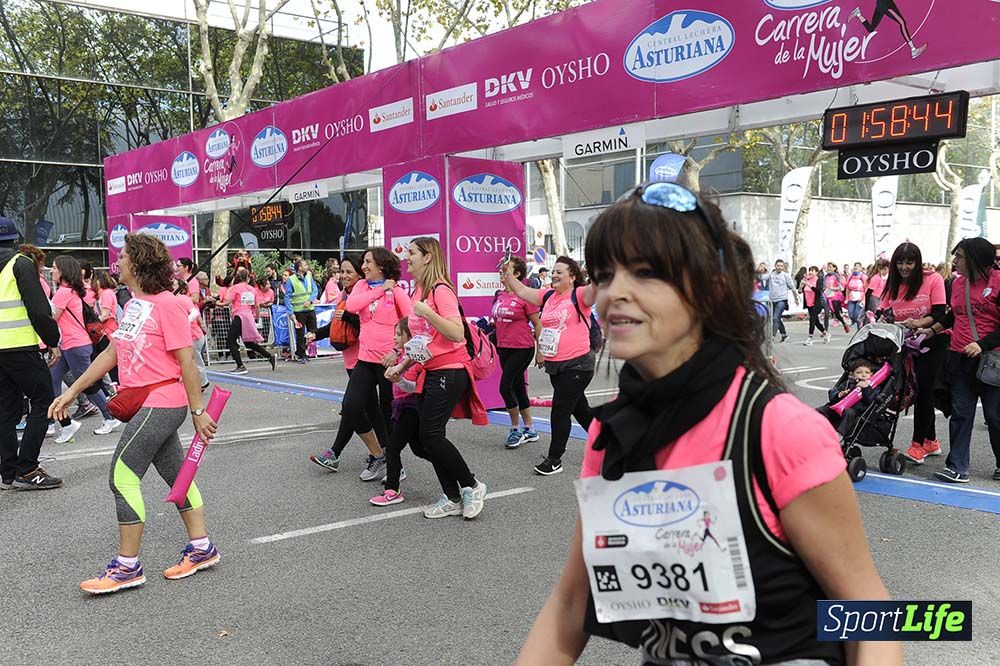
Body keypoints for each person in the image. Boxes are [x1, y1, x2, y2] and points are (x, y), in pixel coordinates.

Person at [516, 181, 900, 666]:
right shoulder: (611, 434)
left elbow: (867, 606)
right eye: (605, 273)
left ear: (709, 289)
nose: (615, 292)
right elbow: (570, 606)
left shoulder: (780, 429)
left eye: (646, 272)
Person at [50, 232, 220, 594]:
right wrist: (73, 390)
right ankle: (202, 547)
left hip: (163, 401)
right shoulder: (135, 306)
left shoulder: (168, 305)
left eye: (124, 255)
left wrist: (198, 411)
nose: (118, 261)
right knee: (178, 476)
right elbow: (111, 354)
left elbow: (187, 361)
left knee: (122, 476)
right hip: (148, 402)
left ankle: (127, 567)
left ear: (139, 264)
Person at [388, 236, 487, 519]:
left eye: (412, 253)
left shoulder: (441, 291)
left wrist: (429, 313)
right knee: (427, 437)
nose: (407, 258)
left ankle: (472, 484)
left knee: (430, 435)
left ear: (428, 256)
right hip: (432, 371)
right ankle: (453, 497)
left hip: (450, 370)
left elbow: (456, 333)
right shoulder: (419, 290)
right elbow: (422, 341)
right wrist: (402, 365)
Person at [502, 255, 595, 476]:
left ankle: (555, 459)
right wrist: (507, 273)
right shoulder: (549, 295)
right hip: (557, 366)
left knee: (560, 410)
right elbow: (523, 292)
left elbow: (599, 287)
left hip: (578, 365)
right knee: (581, 410)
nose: (553, 274)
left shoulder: (580, 294)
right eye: (553, 271)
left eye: (559, 272)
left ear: (572, 277)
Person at [328, 248, 411, 480]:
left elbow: (412, 323)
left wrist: (398, 353)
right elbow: (352, 306)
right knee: (351, 406)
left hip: (387, 363)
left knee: (387, 416)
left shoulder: (397, 292)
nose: (363, 266)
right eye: (363, 262)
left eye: (367, 262)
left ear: (381, 266)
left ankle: (396, 465)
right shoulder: (363, 287)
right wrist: (378, 292)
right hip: (363, 360)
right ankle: (378, 455)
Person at [309, 256, 388, 477]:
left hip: (366, 359)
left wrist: (349, 316)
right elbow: (337, 324)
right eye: (341, 272)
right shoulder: (346, 296)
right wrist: (315, 334)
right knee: (370, 410)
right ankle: (383, 454)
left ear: (360, 274)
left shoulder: (365, 297)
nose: (343, 276)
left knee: (355, 409)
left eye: (348, 272)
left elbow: (368, 325)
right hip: (352, 360)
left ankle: (338, 452)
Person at [0, 219, 63, 490]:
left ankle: (7, 473)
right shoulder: (20, 263)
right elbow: (38, 310)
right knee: (44, 401)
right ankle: (27, 468)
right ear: (15, 238)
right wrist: (52, 340)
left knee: (5, 409)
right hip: (20, 347)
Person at [935, 238, 1000, 484]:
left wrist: (982, 344)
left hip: (992, 360)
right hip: (959, 357)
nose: (955, 261)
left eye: (960, 256)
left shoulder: (998, 282)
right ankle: (957, 466)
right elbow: (955, 315)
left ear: (975, 259)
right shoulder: (956, 283)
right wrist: (931, 329)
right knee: (961, 413)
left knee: (995, 415)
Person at [878, 242, 947, 465]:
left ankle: (918, 445)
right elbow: (884, 312)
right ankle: (931, 440)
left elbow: (939, 313)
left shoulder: (933, 279)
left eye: (909, 262)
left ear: (917, 262)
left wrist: (918, 323)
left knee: (925, 389)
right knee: (916, 391)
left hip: (934, 340)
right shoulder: (893, 284)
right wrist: (881, 320)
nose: (904, 267)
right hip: (905, 343)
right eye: (900, 262)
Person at [50, 256, 119, 436]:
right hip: (72, 344)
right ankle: (63, 423)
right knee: (53, 379)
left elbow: (51, 320)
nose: (52, 271)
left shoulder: (64, 293)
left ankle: (110, 416)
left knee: (87, 384)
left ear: (63, 271)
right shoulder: (72, 291)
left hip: (75, 345)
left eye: (55, 268)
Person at [370, 318, 427, 507]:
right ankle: (453, 469)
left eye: (399, 334)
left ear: (411, 337)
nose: (394, 337)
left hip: (411, 407)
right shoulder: (402, 355)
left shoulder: (415, 360)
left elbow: (414, 388)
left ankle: (392, 490)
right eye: (394, 333)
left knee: (393, 447)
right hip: (402, 406)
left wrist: (398, 380)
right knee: (420, 449)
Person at [494, 256, 542, 448]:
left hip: (522, 348)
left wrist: (541, 352)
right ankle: (530, 429)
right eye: (501, 269)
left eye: (506, 270)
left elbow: (538, 324)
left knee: (505, 387)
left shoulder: (525, 295)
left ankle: (515, 429)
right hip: (503, 348)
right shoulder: (499, 295)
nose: (501, 272)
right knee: (519, 387)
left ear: (517, 274)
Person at [224, 268, 275, 375]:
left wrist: (216, 303)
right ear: (248, 278)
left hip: (239, 315)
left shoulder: (235, 288)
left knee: (231, 341)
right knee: (248, 342)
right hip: (248, 315)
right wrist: (256, 316)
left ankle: (240, 365)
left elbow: (227, 301)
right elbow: (256, 305)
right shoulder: (252, 289)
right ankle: (269, 356)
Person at [817, 358, 879, 437]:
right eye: (859, 372)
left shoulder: (873, 386)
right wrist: (839, 395)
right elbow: (833, 392)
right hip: (839, 407)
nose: (863, 375)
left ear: (871, 374)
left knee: (849, 412)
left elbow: (871, 401)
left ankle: (839, 435)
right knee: (821, 410)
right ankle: (815, 429)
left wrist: (866, 389)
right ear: (852, 374)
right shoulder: (847, 383)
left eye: (866, 372)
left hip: (856, 411)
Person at [849, 0, 926, 59]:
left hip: (881, 4)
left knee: (871, 29)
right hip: (885, 3)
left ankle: (858, 14)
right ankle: (913, 50)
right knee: (902, 23)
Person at [175, 280, 208, 390]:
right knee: (191, 360)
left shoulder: (182, 299)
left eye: (174, 284)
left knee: (194, 361)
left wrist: (184, 322)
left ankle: (203, 382)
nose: (171, 285)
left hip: (193, 335)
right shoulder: (176, 299)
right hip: (190, 335)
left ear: (181, 288)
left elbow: (195, 313)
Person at [284, 258, 318, 363]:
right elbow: (287, 296)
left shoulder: (309, 276)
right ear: (299, 267)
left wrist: (311, 300)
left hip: (310, 309)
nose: (307, 266)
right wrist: (290, 312)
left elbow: (315, 290)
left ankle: (304, 351)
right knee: (300, 333)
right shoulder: (291, 280)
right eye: (305, 265)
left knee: (313, 331)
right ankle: (302, 354)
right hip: (298, 311)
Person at [765, 259, 798, 342]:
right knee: (777, 318)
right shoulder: (771, 274)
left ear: (783, 267)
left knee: (775, 318)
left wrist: (796, 298)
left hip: (782, 300)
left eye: (781, 266)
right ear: (775, 266)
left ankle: (772, 336)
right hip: (772, 300)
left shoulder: (786, 276)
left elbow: (793, 288)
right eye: (778, 266)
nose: (779, 267)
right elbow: (761, 277)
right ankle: (784, 335)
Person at [801, 266, 829, 345]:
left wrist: (809, 285)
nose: (810, 272)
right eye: (810, 270)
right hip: (809, 303)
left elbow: (818, 291)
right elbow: (801, 291)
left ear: (816, 272)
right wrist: (801, 285)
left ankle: (810, 338)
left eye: (812, 271)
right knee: (816, 321)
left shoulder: (818, 280)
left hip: (817, 303)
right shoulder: (808, 279)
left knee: (812, 319)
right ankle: (826, 333)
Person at [822, 261, 851, 334]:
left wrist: (833, 288)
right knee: (830, 314)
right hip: (828, 296)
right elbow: (824, 286)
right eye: (828, 267)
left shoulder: (837, 276)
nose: (828, 268)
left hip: (836, 296)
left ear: (834, 268)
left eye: (830, 267)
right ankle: (826, 330)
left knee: (836, 311)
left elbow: (841, 287)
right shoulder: (826, 276)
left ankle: (843, 322)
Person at [845, 262, 869, 331]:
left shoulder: (863, 277)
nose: (856, 267)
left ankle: (860, 330)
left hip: (860, 297)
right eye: (855, 266)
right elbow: (847, 288)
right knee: (851, 314)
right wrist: (846, 298)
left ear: (861, 268)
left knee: (857, 315)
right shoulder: (850, 276)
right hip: (851, 297)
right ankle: (855, 322)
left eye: (858, 266)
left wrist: (864, 299)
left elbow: (866, 288)